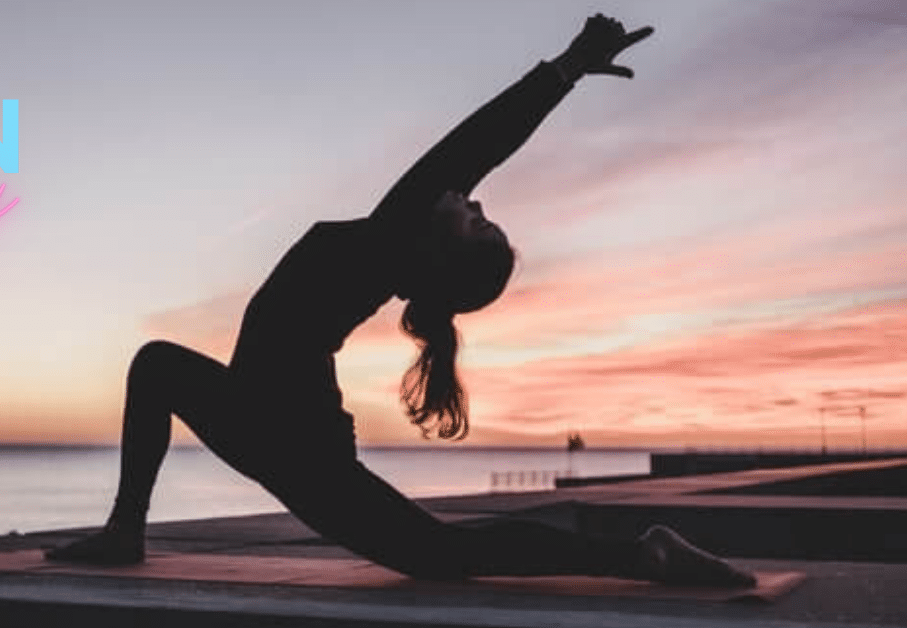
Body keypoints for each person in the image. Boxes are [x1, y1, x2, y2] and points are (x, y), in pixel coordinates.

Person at [48, 14, 757, 587]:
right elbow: (469, 160)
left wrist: (565, 69)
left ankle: (642, 555)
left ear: (440, 256)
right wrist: (565, 71)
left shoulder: (392, 241)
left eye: (477, 220)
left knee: (438, 558)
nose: (472, 199)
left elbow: (473, 146)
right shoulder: (387, 249)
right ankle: (126, 529)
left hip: (292, 442)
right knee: (157, 365)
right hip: (261, 418)